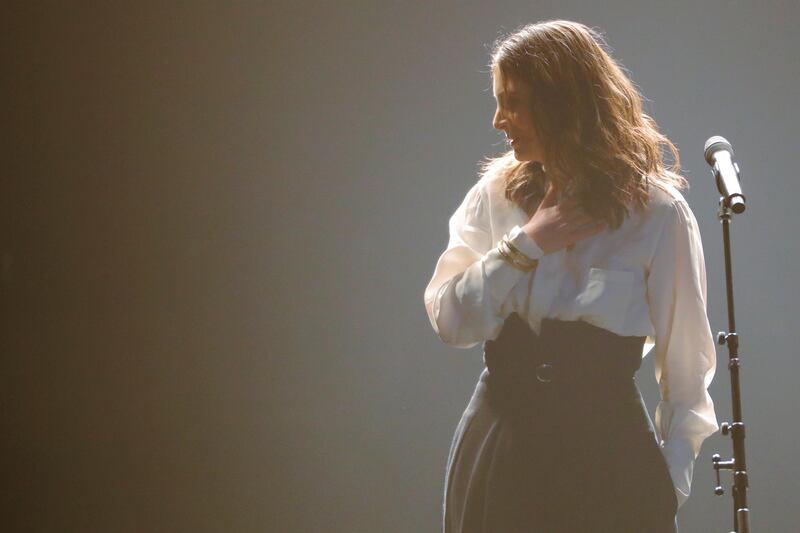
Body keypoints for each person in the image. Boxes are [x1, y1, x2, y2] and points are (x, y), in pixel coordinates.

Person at [423, 20, 719, 532]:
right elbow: (451, 321)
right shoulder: (494, 196)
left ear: (563, 103)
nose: (498, 119)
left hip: (610, 461)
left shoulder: (658, 214)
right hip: (500, 449)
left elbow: (687, 374)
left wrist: (664, 487)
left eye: (513, 101)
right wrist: (527, 244)